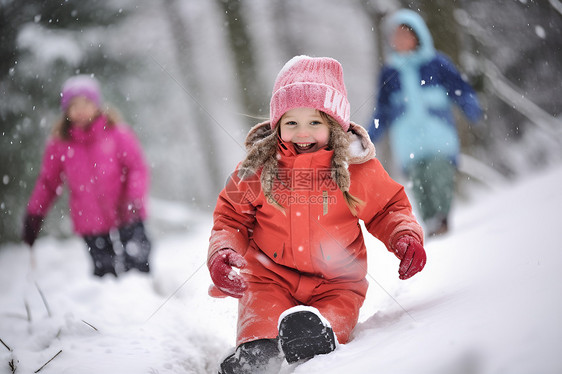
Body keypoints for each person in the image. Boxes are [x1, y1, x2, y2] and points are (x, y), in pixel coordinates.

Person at [207, 55, 426, 373]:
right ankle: (257, 356)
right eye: (291, 122)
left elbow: (388, 207)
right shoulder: (257, 169)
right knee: (261, 320)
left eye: (314, 122)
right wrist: (223, 250)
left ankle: (315, 346)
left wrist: (404, 235)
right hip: (270, 277)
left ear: (334, 125)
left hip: (338, 283)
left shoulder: (356, 170)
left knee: (329, 324)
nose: (302, 132)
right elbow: (231, 217)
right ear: (277, 125)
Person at [22, 75, 152, 277]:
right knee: (104, 273)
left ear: (97, 105)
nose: (80, 110)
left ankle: (146, 302)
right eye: (73, 106)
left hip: (128, 214)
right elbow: (48, 182)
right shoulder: (60, 145)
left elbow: (137, 167)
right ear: (66, 111)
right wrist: (35, 213)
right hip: (91, 222)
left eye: (86, 103)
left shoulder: (118, 134)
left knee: (137, 266)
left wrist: (134, 197)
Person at [368, 9, 483, 236]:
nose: (399, 40)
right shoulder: (389, 72)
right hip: (408, 139)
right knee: (419, 182)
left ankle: (441, 218)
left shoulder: (437, 63)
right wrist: (368, 136)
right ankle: (431, 221)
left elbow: (459, 89)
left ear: (417, 36)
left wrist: (471, 107)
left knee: (439, 173)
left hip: (438, 132)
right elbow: (382, 110)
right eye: (396, 36)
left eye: (405, 34)